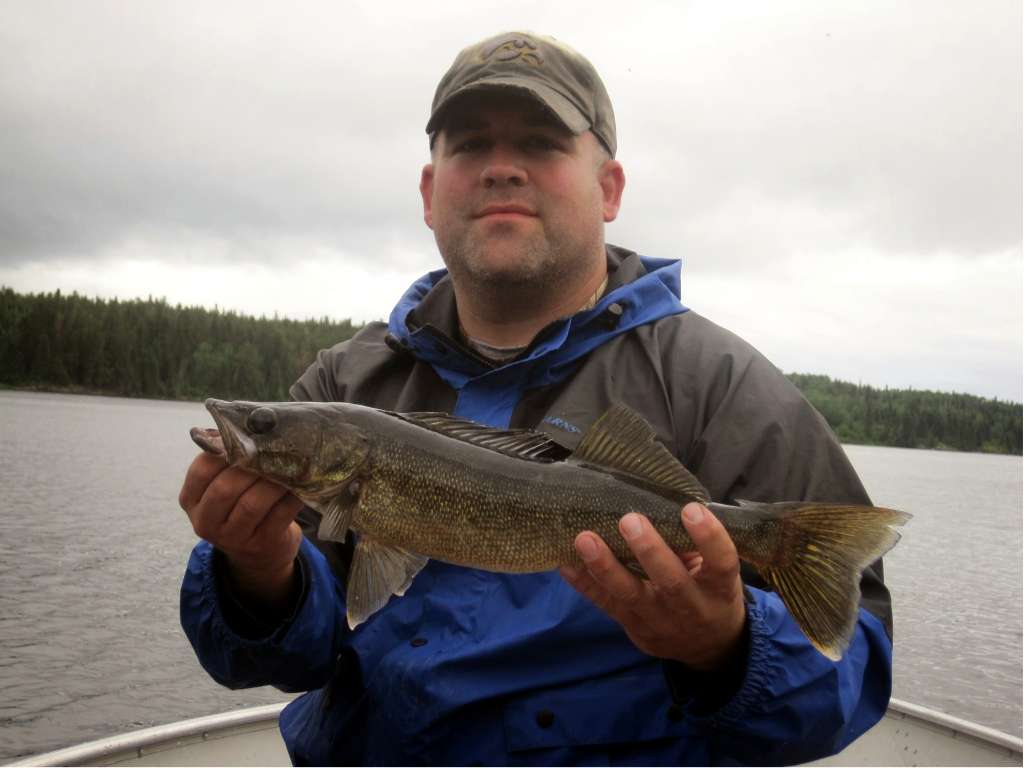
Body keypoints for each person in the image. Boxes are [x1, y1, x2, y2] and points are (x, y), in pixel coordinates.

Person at [179, 31, 897, 765]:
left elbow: (851, 670)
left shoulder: (724, 390)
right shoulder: (343, 383)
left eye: (540, 143)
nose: (501, 168)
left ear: (608, 189)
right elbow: (277, 659)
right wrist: (257, 573)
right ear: (428, 193)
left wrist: (725, 647)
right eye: (470, 146)